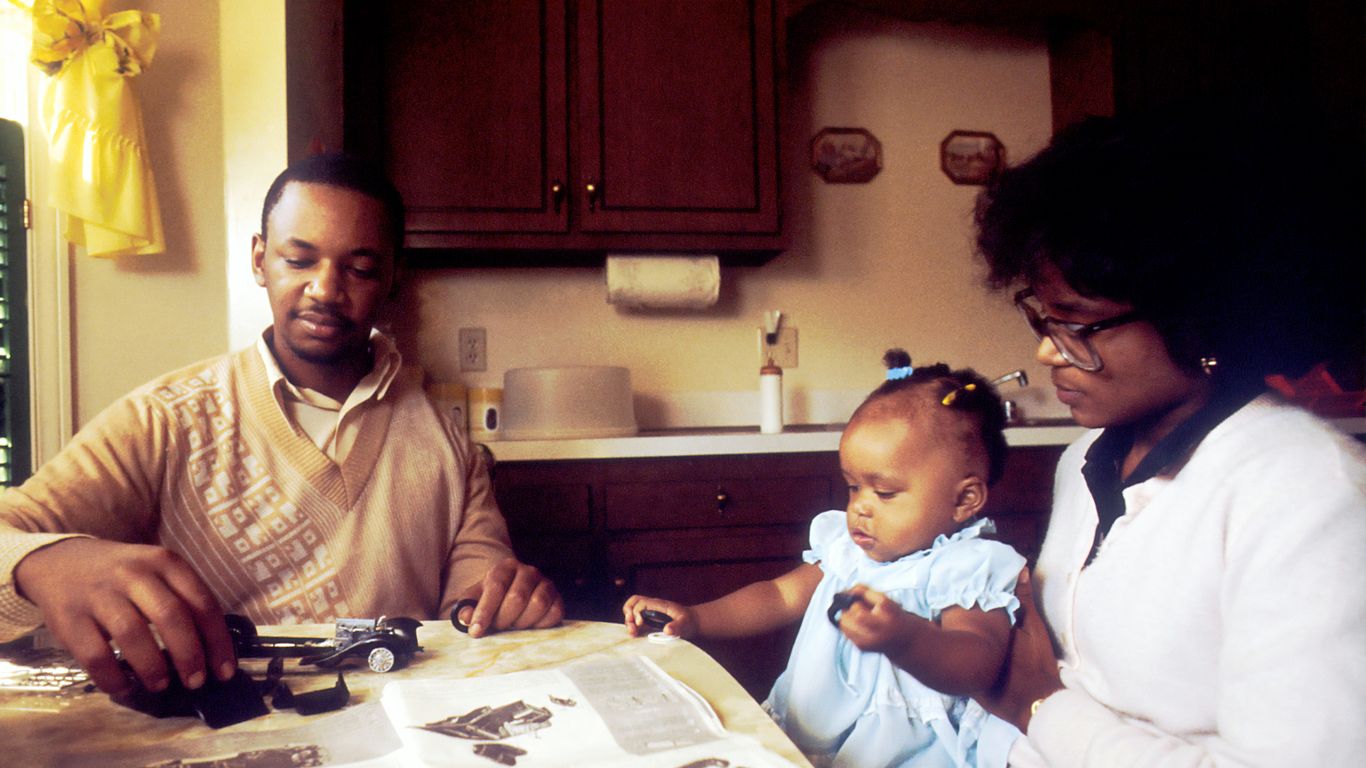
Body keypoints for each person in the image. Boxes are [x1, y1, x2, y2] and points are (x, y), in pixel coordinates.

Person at [0, 153, 563, 698]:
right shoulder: (165, 420)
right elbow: (10, 530)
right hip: (216, 737)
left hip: (397, 734)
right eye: (299, 261)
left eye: (360, 268)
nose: (324, 288)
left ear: (392, 278)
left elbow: (477, 598)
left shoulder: (447, 443)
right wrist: (41, 561)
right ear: (258, 260)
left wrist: (501, 602)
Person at [969, 110, 1366, 766]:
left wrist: (1038, 704)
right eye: (1044, 316)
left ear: (1201, 320)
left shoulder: (1312, 497)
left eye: (1079, 325)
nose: (1046, 351)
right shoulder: (1087, 461)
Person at [625, 351, 1027, 767]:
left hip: (904, 756)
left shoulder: (968, 566)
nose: (860, 508)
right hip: (812, 738)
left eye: (884, 493)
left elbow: (979, 662)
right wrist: (696, 617)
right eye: (854, 487)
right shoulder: (846, 549)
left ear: (964, 499)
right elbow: (779, 596)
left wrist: (906, 638)